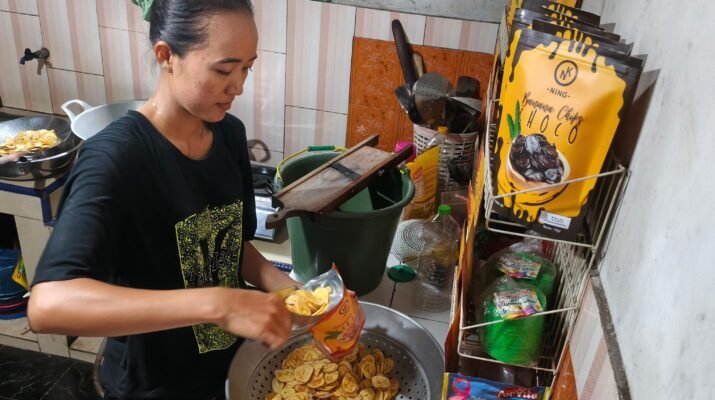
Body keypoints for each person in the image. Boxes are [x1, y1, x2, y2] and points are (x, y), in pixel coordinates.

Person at [27, 1, 296, 398]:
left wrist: (289, 290)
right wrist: (219, 304)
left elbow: (228, 245)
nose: (238, 86)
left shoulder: (229, 134)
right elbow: (49, 305)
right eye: (223, 70)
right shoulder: (117, 158)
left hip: (225, 369)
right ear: (167, 55)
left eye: (247, 68)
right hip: (154, 384)